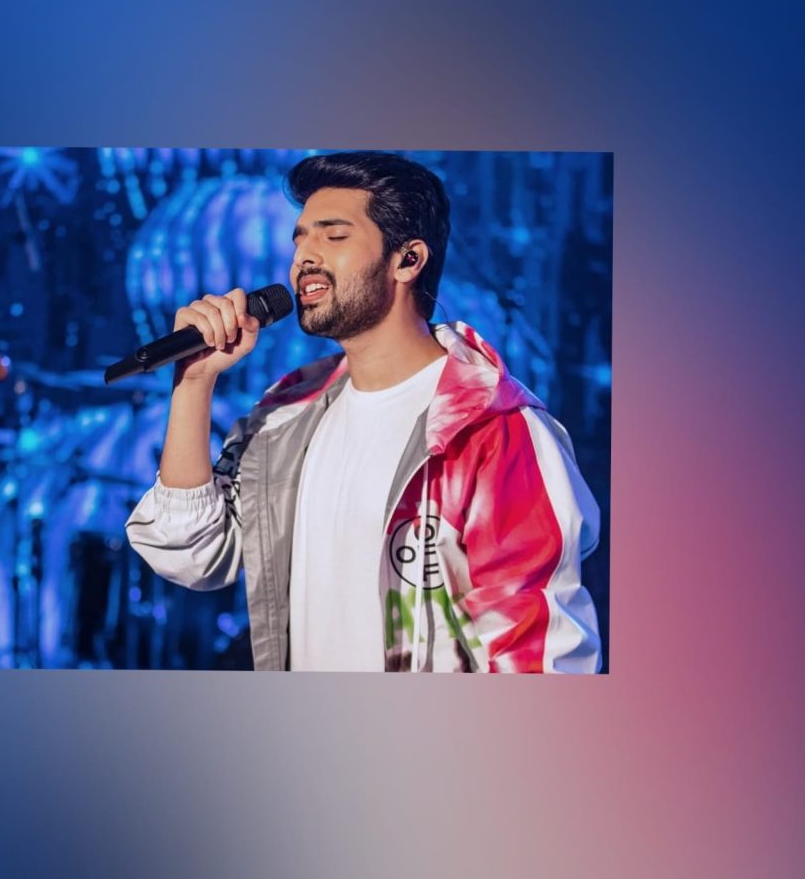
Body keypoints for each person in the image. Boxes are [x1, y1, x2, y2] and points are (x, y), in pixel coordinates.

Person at [126, 151, 602, 672]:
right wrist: (194, 382)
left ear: (408, 260)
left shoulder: (494, 432)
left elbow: (540, 658)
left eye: (333, 237)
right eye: (300, 240)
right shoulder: (286, 417)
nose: (304, 258)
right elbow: (188, 552)